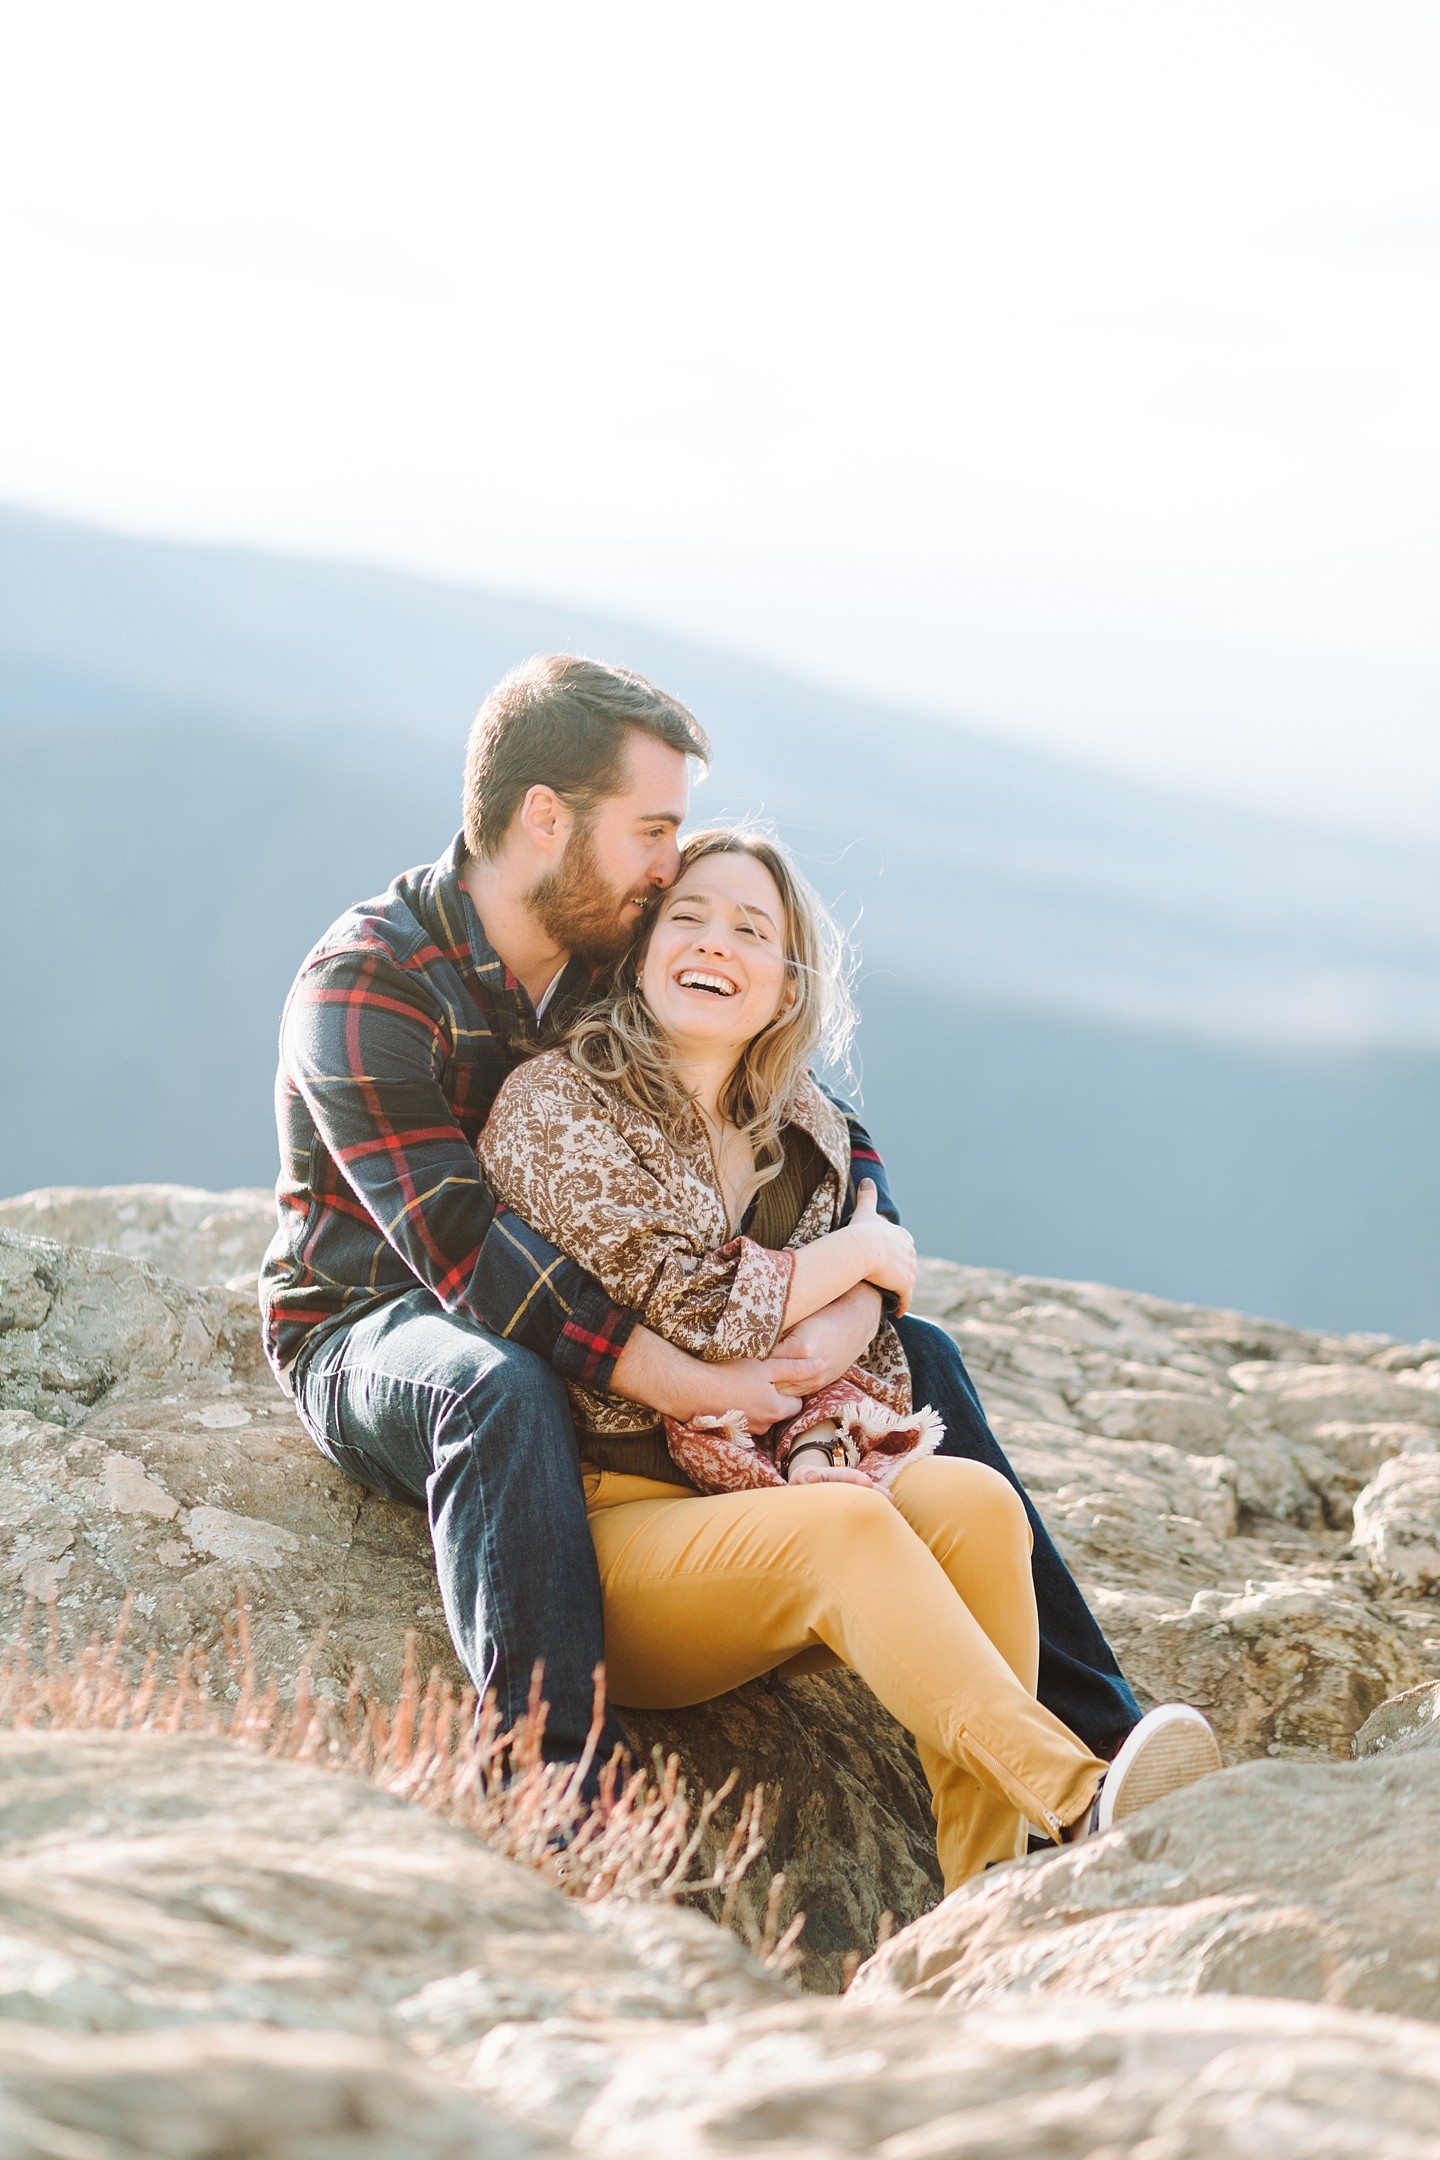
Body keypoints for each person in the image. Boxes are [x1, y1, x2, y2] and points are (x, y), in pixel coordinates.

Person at [260, 653, 1140, 1795]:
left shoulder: (605, 942)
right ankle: (551, 1777)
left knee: (918, 1357)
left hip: (600, 1314)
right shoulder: (364, 988)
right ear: (544, 819)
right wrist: (697, 1382)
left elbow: (807, 1109)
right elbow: (468, 1257)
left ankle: (1107, 1733)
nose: (673, 866)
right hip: (383, 1321)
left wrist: (853, 1302)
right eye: (655, 831)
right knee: (495, 1386)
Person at [477, 827, 1220, 1886]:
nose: (713, 943)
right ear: (640, 954)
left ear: (786, 989)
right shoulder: (557, 1106)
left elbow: (842, 1354)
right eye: (686, 917)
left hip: (763, 1496)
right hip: (605, 1528)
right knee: (846, 1521)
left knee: (973, 1505)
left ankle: (988, 1898)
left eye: (750, 930)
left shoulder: (807, 1135)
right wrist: (862, 1254)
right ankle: (1078, 1798)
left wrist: (851, 1303)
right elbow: (699, 1310)